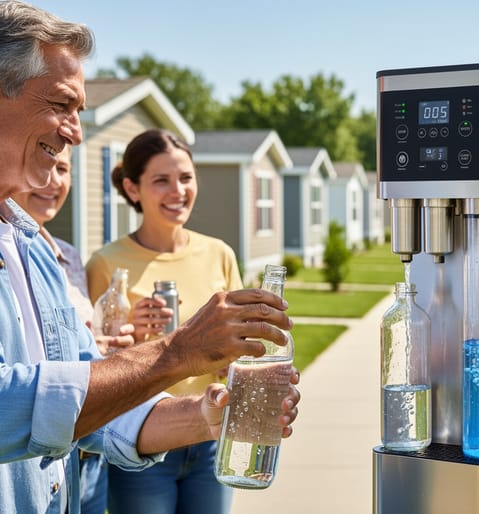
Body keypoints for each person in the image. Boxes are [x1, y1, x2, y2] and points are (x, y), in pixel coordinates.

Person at [0, 3, 299, 513]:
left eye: (80, 112)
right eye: (61, 104)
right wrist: (177, 352)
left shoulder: (35, 250)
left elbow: (93, 402)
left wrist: (208, 417)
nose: (73, 131)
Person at [84, 128, 244, 514]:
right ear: (132, 188)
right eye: (161, 180)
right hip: (140, 436)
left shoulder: (219, 253)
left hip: (211, 434)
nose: (178, 191)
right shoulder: (106, 264)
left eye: (186, 178)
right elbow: (90, 366)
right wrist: (134, 336)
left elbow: (240, 343)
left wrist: (230, 359)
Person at [11, 145, 131, 513]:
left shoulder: (68, 256)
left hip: (88, 452)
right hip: (27, 461)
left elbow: (84, 342)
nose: (54, 180)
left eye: (64, 169)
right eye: (46, 164)